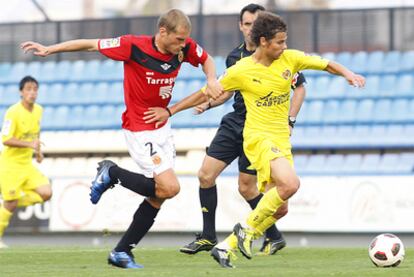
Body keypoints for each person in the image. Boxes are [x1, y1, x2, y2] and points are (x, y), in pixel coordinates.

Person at [144, 11, 365, 268]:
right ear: (263, 41)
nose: (284, 47)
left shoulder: (290, 59)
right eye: (279, 42)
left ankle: (227, 246)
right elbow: (205, 92)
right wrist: (171, 110)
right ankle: (243, 232)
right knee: (290, 183)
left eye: (285, 41)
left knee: (279, 209)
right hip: (258, 138)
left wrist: (348, 74)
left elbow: (325, 64)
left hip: (281, 140)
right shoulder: (241, 69)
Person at [21, 9, 221, 269]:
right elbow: (91, 45)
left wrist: (211, 77)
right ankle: (111, 172)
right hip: (140, 127)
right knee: (170, 187)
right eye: (179, 40)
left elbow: (207, 60)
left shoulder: (184, 47)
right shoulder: (132, 46)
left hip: (162, 126)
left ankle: (121, 252)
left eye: (185, 40)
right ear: (163, 32)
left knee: (159, 195)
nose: (184, 45)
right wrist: (50, 49)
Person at [178, 3, 306, 256]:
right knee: (205, 175)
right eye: (246, 24)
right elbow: (226, 92)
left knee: (247, 187)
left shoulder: (277, 56)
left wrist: (290, 121)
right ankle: (207, 236)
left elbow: (300, 87)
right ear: (241, 26)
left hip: (259, 128)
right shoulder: (234, 57)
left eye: (254, 24)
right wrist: (208, 103)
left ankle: (270, 234)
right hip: (234, 122)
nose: (250, 29)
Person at [0, 76, 52, 249]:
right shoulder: (12, 112)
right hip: (10, 165)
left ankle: (10, 199)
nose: (32, 93)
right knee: (11, 204)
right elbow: (6, 139)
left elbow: (36, 132)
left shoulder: (38, 110)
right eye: (28, 89)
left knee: (46, 192)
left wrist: (38, 152)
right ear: (21, 92)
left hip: (27, 165)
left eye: (35, 89)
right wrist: (30, 144)